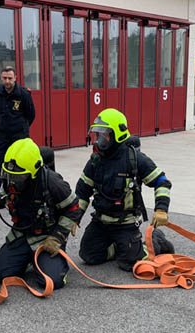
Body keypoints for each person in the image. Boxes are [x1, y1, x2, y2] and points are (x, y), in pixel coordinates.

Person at [75, 108, 175, 271]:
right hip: (101, 222)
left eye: (104, 134)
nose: (100, 139)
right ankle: (119, 248)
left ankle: (157, 241)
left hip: (125, 224)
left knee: (131, 263)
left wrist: (161, 209)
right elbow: (82, 191)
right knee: (89, 255)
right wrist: (75, 217)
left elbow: (162, 182)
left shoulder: (135, 159)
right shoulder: (95, 160)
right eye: (97, 134)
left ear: (117, 134)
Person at [0, 138, 82, 289]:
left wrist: (57, 238)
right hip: (22, 234)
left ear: (33, 171)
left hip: (46, 237)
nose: (13, 180)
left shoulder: (52, 182)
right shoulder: (12, 176)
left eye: (18, 176)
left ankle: (52, 264)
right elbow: (6, 193)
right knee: (0, 273)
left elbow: (73, 208)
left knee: (51, 282)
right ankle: (30, 259)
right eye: (10, 175)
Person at [0, 66, 35, 194]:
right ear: (1, 78)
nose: (7, 81)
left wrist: (20, 127)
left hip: (20, 136)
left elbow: (31, 115)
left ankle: (20, 192)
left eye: (10, 78)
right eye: (4, 78)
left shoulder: (24, 94)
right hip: (3, 136)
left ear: (15, 78)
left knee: (20, 165)